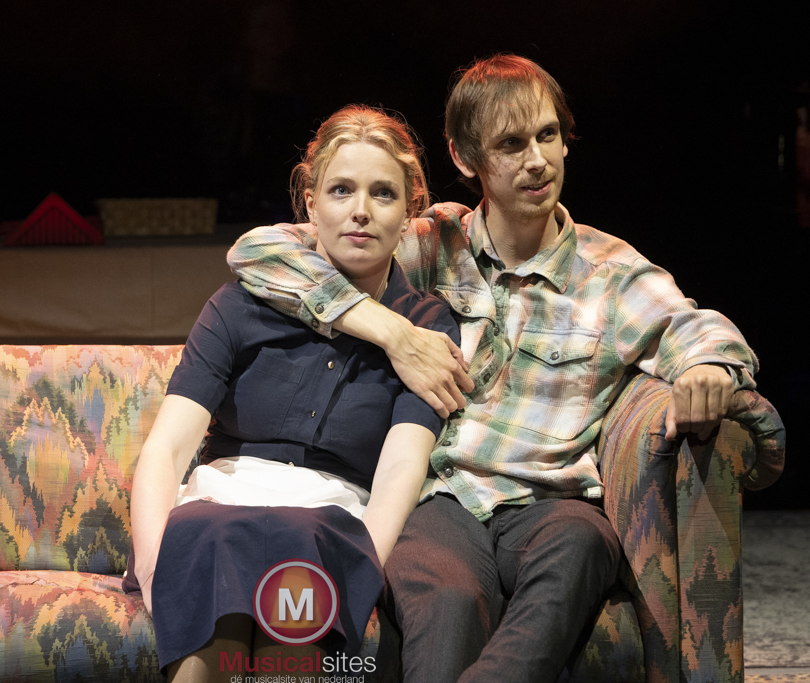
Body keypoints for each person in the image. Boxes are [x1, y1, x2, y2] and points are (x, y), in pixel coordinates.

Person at [226, 54, 758, 682]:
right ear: (464, 156)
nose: (538, 161)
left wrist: (708, 367)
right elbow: (259, 252)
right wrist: (393, 331)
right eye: (511, 144)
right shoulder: (429, 243)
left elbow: (697, 327)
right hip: (441, 495)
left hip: (551, 501)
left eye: (548, 136)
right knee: (448, 596)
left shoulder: (609, 274)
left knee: (586, 545)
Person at [125, 105, 461, 682]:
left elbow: (402, 466)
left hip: (328, 520)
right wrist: (154, 566)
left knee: (301, 550)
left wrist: (366, 563)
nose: (360, 210)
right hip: (220, 506)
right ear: (310, 203)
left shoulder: (426, 328)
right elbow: (168, 448)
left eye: (382, 193)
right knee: (213, 535)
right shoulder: (240, 303)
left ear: (410, 213)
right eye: (341, 190)